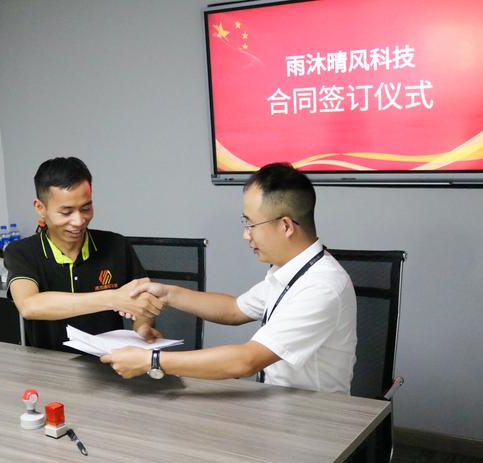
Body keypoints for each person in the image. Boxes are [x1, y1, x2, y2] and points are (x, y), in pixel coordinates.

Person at [101, 162, 357, 394]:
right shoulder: (289, 271)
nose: (246, 235)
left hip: (313, 416)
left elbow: (247, 360)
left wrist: (152, 361)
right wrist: (167, 293)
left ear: (286, 226)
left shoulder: (321, 286)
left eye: (251, 224)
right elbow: (234, 309)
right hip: (276, 402)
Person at [4, 156, 163, 352]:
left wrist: (142, 327)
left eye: (86, 208)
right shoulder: (21, 252)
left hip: (109, 362)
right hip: (48, 365)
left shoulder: (116, 245)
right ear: (40, 208)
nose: (79, 221)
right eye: (66, 212)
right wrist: (112, 298)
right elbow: (29, 306)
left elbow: (143, 302)